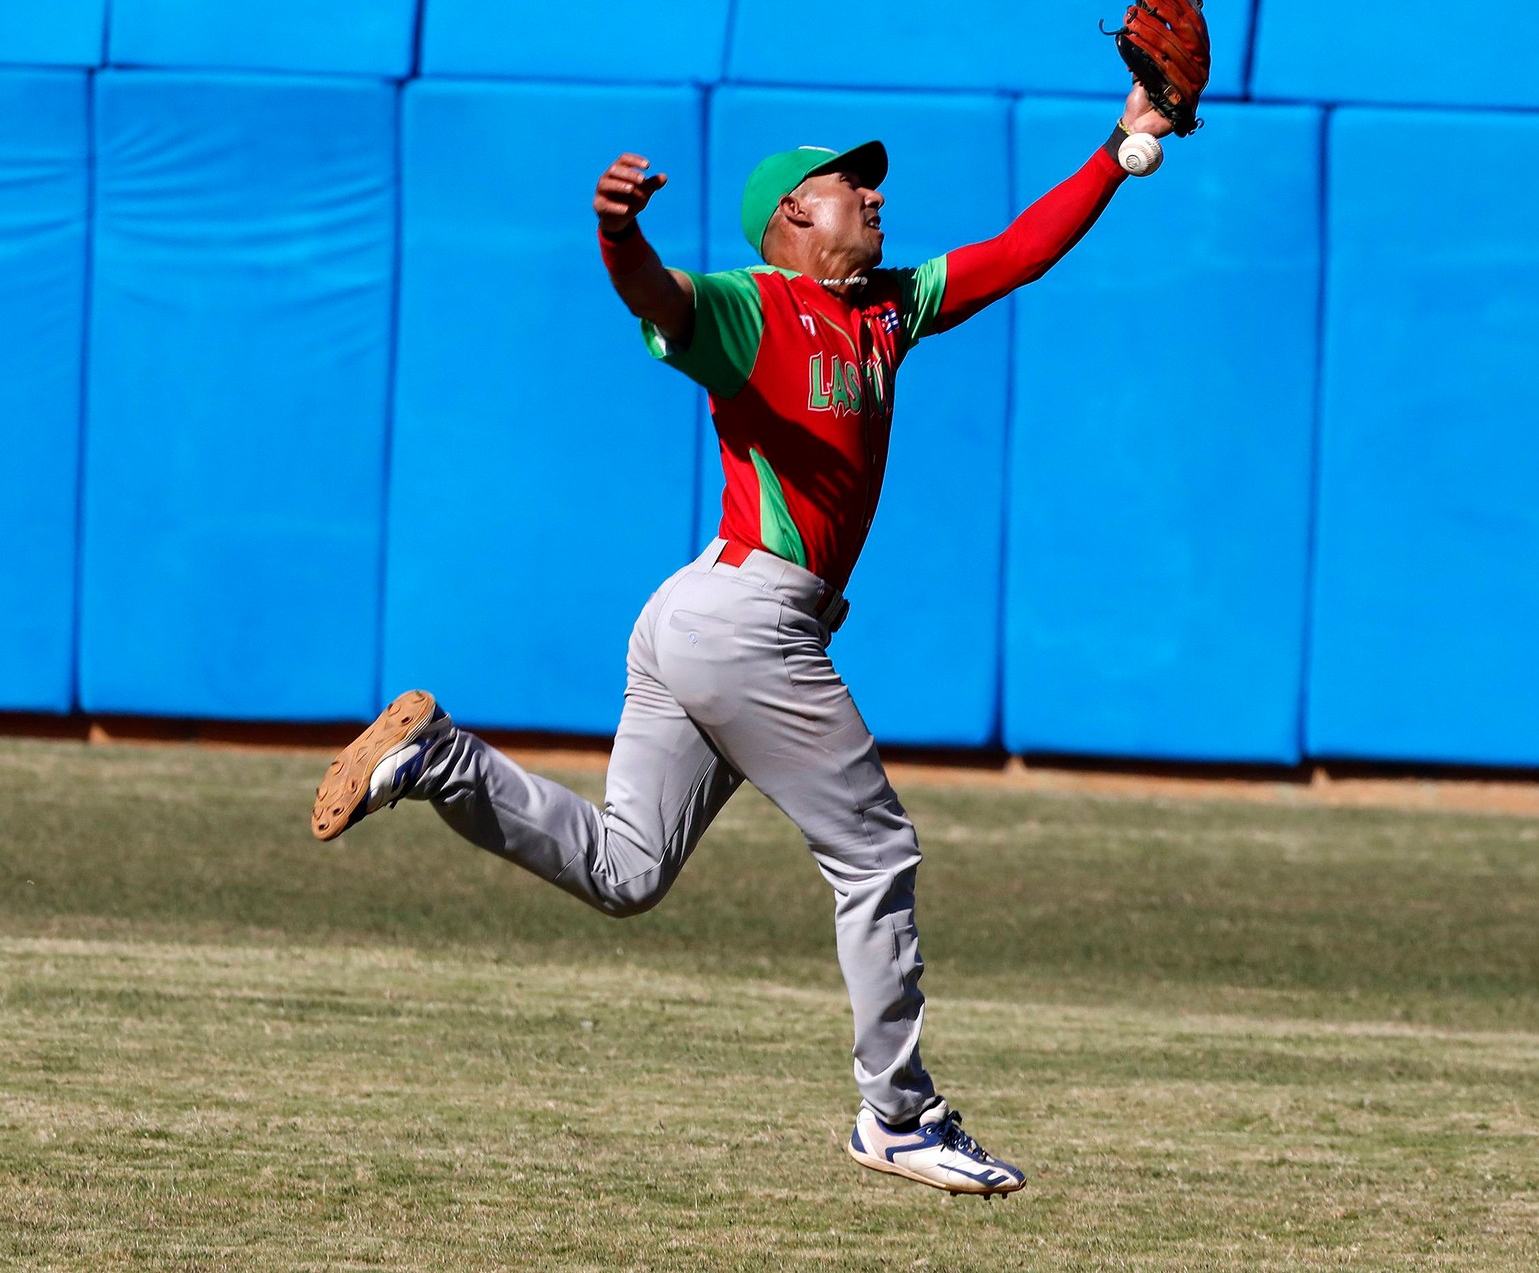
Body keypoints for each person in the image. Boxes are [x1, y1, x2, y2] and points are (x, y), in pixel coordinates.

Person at [310, 81, 1178, 1197]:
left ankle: (440, 763)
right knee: (873, 853)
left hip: (701, 615)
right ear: (789, 224)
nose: (870, 195)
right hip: (746, 618)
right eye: (842, 187)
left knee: (626, 872)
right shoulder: (752, 305)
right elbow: (662, 299)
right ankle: (898, 1115)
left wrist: (1125, 141)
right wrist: (618, 231)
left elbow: (1016, 250)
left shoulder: (888, 307)